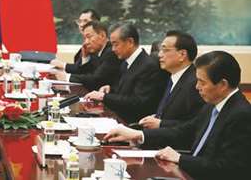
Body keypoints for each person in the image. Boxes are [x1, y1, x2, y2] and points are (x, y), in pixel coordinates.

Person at [104, 51, 251, 179]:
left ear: (223, 84)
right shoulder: (212, 105)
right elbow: (184, 132)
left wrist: (180, 159)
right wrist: (138, 135)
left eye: (202, 82)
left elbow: (228, 168)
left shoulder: (241, 115)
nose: (197, 87)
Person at [85, 22, 168, 123]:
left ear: (130, 42)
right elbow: (123, 91)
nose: (113, 49)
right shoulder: (126, 62)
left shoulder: (148, 66)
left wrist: (104, 97)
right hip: (116, 116)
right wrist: (110, 89)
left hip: (131, 123)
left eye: (116, 44)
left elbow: (138, 102)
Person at [138, 31, 205, 129]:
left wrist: (161, 124)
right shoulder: (173, 77)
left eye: (165, 50)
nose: (159, 55)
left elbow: (196, 125)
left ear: (182, 54)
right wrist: (156, 118)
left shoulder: (194, 83)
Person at [53, 21, 122, 91]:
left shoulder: (111, 52)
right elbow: (84, 73)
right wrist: (85, 57)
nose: (86, 42)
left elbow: (96, 79)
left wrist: (67, 77)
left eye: (89, 37)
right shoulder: (96, 51)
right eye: (84, 38)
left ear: (102, 35)